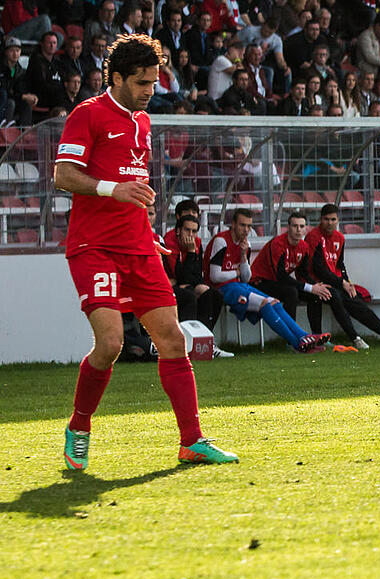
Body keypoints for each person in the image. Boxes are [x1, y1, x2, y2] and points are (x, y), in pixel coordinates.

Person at [54, 33, 238, 469]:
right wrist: (112, 189)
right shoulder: (89, 114)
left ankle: (191, 441)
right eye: (142, 83)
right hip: (93, 246)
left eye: (154, 83)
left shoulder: (142, 122)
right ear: (116, 78)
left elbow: (130, 183)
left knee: (174, 340)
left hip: (137, 246)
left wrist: (144, 221)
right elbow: (64, 174)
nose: (149, 92)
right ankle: (79, 426)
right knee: (112, 342)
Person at [203, 208, 329, 353]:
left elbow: (245, 277)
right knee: (265, 304)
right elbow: (214, 276)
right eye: (242, 225)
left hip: (239, 285)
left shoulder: (245, 244)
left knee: (274, 302)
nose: (246, 230)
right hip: (222, 289)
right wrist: (237, 271)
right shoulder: (221, 241)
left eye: (249, 226)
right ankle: (297, 343)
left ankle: (304, 336)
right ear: (233, 224)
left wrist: (244, 257)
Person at [305, 204, 380, 350]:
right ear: (320, 219)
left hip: (336, 283)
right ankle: (354, 338)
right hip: (319, 284)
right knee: (337, 299)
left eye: (333, 219)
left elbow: (340, 265)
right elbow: (318, 269)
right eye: (326, 219)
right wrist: (342, 283)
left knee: (363, 310)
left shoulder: (339, 238)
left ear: (338, 220)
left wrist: (348, 283)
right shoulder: (313, 237)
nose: (330, 223)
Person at [250, 212, 331, 332]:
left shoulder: (304, 246)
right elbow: (281, 276)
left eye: (302, 227)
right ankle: (292, 338)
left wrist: (315, 286)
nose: (298, 230)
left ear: (305, 229)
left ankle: (317, 335)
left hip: (278, 283)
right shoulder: (278, 244)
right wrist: (309, 287)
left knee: (316, 294)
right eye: (295, 226)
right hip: (259, 282)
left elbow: (303, 272)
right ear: (288, 227)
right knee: (291, 292)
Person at [163, 214, 231, 357]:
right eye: (187, 230)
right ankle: (188, 344)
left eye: (194, 231)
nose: (191, 235)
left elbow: (196, 275)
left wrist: (197, 284)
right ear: (178, 231)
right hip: (168, 288)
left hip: (184, 284)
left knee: (213, 295)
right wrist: (191, 252)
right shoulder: (170, 243)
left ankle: (206, 344)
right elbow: (182, 276)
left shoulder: (197, 242)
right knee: (189, 295)